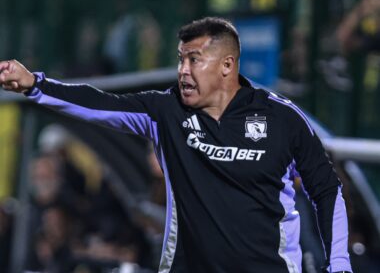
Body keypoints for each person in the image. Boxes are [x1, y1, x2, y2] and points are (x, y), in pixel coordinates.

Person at [0, 17, 352, 273]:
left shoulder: (283, 119)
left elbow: (327, 189)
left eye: (194, 59)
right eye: (181, 58)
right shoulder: (166, 112)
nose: (183, 69)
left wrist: (339, 263)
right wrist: (35, 85)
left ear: (227, 66)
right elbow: (98, 103)